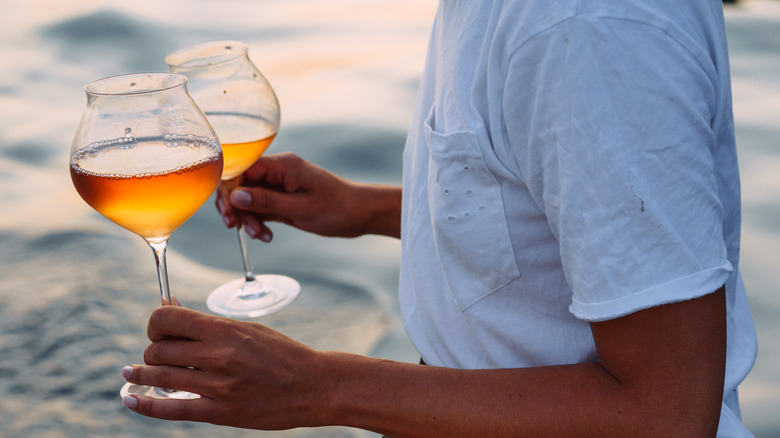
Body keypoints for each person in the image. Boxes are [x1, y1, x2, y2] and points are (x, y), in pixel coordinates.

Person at [120, 0, 758, 436]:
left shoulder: (586, 30)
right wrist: (363, 209)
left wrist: (316, 385)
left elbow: (665, 416)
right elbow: (561, 216)